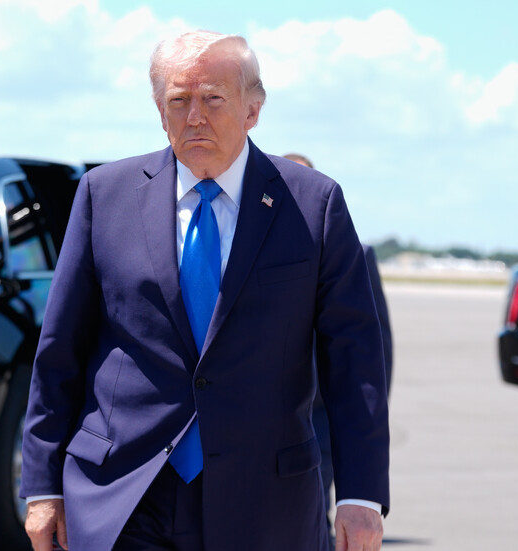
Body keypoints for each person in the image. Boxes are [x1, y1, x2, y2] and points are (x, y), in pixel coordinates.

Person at [21, 30, 390, 551]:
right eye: (179, 101)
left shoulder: (313, 204)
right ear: (160, 111)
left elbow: (354, 360)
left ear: (252, 109)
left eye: (213, 99)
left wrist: (361, 493)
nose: (195, 116)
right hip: (124, 492)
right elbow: (59, 351)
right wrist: (42, 486)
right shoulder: (103, 196)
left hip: (264, 500)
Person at [283, 152, 393, 546]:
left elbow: (372, 346)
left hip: (325, 414)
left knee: (315, 514)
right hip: (272, 418)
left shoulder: (354, 253)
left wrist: (367, 416)